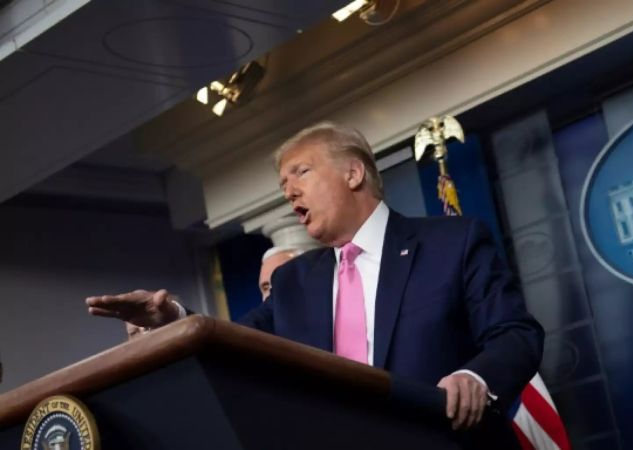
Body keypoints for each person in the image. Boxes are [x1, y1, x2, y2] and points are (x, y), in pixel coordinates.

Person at [86, 121, 544, 443]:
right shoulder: (293, 283)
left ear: (353, 172)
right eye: (283, 183)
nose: (289, 191)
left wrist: (474, 376)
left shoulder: (452, 242)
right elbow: (232, 344)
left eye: (300, 172)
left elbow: (516, 334)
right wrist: (173, 319)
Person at [123, 246, 300, 338]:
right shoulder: (257, 337)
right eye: (265, 287)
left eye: (280, 284)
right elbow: (226, 335)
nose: (272, 293)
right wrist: (176, 317)